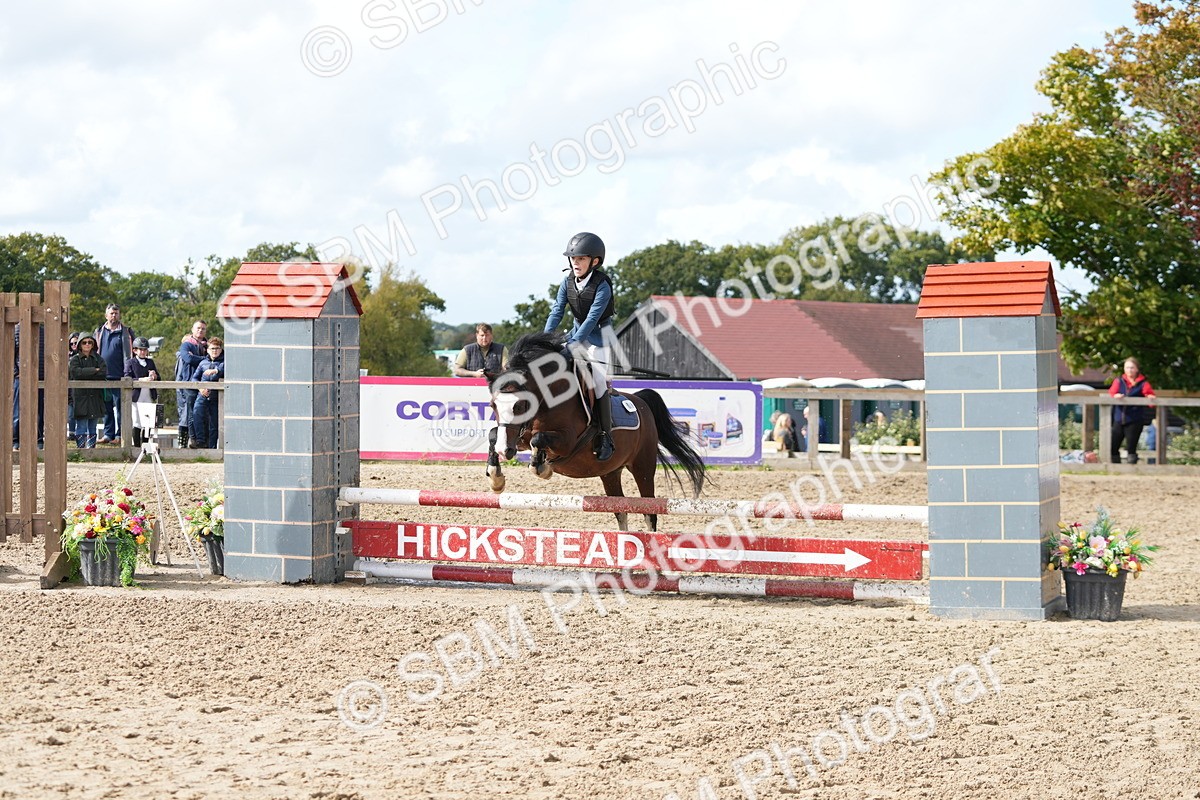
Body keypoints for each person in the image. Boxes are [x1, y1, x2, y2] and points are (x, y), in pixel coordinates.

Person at [544, 232, 617, 461]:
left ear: (595, 261)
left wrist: (573, 344)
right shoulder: (567, 282)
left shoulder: (602, 285)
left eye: (581, 258)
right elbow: (557, 311)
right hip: (576, 332)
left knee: (597, 381)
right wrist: (544, 340)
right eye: (573, 258)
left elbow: (592, 319)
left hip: (599, 338)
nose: (576, 262)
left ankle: (606, 435)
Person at [93, 303, 135, 444]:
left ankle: (119, 435)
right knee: (106, 408)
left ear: (119, 315)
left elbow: (129, 355)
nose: (114, 315)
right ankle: (108, 434)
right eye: (111, 313)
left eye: (116, 313)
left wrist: (127, 374)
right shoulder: (99, 332)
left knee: (121, 408)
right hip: (103, 376)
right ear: (106, 315)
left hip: (120, 376)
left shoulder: (126, 332)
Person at [1109, 356, 1155, 464]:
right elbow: (1111, 393)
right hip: (1119, 418)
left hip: (1134, 419)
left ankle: (1132, 471)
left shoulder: (1143, 383)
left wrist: (1150, 398)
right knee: (1113, 445)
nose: (1129, 370)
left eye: (1132, 368)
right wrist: (1115, 396)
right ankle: (1115, 468)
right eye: (1127, 367)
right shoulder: (1119, 381)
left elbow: (1150, 395)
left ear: (1137, 369)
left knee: (1131, 447)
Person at [68, 335, 105, 448]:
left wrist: (85, 372)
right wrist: (94, 370)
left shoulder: (98, 358)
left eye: (90, 342)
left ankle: (91, 450)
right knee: (81, 425)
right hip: (80, 397)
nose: (87, 344)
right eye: (84, 342)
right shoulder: (75, 359)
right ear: (80, 344)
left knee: (93, 425)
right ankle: (81, 450)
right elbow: (75, 373)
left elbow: (103, 372)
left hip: (95, 396)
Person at [175, 320, 208, 448]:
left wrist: (196, 358)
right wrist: (205, 359)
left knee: (203, 414)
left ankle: (203, 442)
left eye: (203, 329)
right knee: (188, 414)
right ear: (192, 330)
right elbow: (187, 358)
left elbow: (216, 359)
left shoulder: (207, 345)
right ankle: (186, 443)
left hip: (205, 383)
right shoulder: (187, 345)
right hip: (189, 383)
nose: (200, 330)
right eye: (198, 328)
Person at [123, 337, 160, 448]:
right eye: (141, 349)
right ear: (135, 350)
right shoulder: (130, 362)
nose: (143, 352)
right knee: (137, 422)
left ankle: (145, 446)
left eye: (145, 349)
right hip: (136, 396)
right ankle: (137, 447)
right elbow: (127, 378)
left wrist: (154, 376)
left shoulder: (150, 362)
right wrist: (140, 380)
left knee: (147, 423)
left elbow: (158, 378)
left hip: (148, 394)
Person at [189, 337, 224, 449]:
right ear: (208, 350)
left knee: (214, 422)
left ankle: (212, 447)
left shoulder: (224, 362)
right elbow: (195, 378)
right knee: (196, 414)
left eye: (217, 348)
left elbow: (226, 369)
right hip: (202, 395)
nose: (215, 351)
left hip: (217, 397)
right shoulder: (203, 363)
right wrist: (200, 389)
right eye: (212, 348)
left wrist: (216, 371)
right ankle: (200, 441)